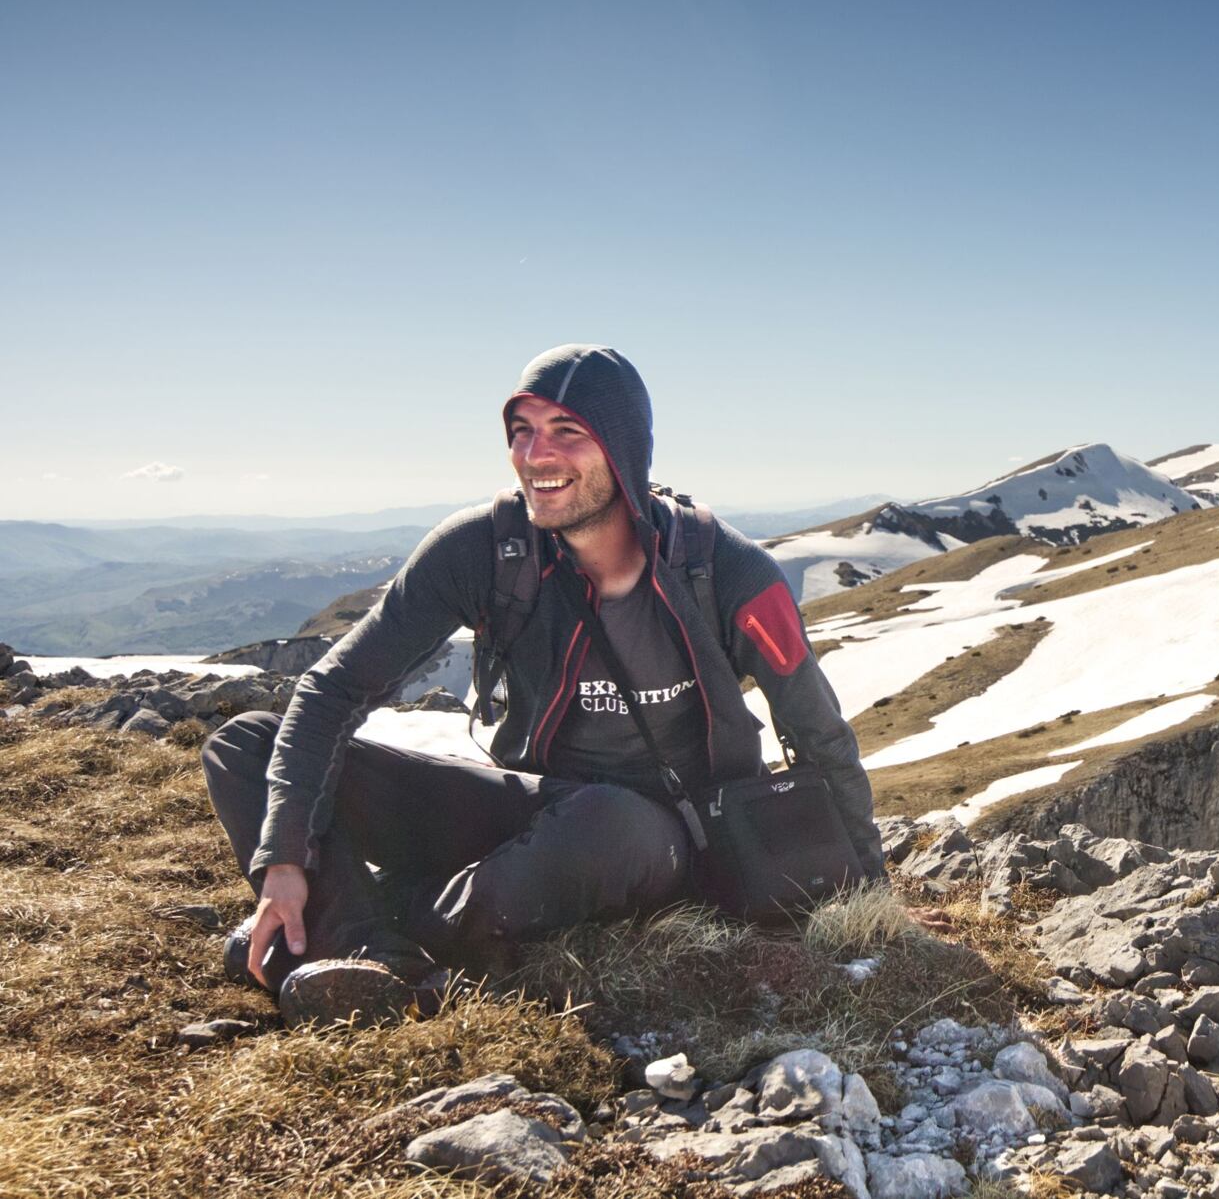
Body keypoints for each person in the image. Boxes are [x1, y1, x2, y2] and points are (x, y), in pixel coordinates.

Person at [202, 344, 887, 1025]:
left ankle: (372, 931)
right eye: (522, 431)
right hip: (527, 808)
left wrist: (872, 893)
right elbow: (332, 690)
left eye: (567, 431)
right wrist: (283, 859)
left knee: (607, 820)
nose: (536, 455)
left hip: (663, 839)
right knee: (244, 743)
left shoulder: (728, 571)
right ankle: (365, 954)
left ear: (623, 450)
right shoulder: (484, 550)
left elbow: (818, 731)